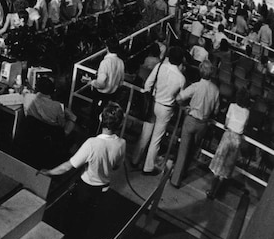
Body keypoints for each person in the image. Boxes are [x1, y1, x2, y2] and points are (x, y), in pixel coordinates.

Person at [38, 102, 126, 239]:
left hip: (85, 188)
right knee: (87, 219)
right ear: (120, 123)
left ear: (100, 119)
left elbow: (68, 166)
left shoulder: (92, 143)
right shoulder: (122, 143)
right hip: (103, 190)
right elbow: (116, 166)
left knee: (71, 218)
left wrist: (49, 172)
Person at [135, 46, 186, 175]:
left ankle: (135, 159)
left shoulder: (159, 67)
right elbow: (180, 98)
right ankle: (147, 167)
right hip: (166, 108)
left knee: (145, 133)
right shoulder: (181, 79)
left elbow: (148, 84)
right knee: (156, 138)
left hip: (153, 102)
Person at [172, 60, 219, 188]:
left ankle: (176, 180)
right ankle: (184, 172)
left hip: (191, 119)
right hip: (203, 124)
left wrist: (185, 107)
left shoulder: (196, 86)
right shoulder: (216, 90)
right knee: (192, 150)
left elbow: (179, 98)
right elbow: (215, 110)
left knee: (183, 150)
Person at [206, 88, 250, 200]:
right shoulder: (247, 112)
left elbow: (226, 123)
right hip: (237, 140)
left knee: (219, 164)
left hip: (228, 136)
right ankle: (216, 192)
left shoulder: (232, 106)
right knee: (226, 167)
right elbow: (244, 128)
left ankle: (211, 191)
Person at [89, 36, 125, 130]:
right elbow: (121, 82)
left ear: (107, 48)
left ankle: (92, 136)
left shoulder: (105, 62)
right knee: (106, 120)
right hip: (113, 95)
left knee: (95, 119)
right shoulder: (121, 62)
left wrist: (92, 82)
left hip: (101, 94)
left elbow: (101, 83)